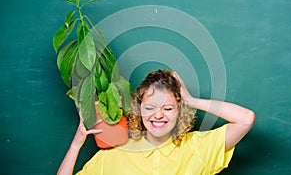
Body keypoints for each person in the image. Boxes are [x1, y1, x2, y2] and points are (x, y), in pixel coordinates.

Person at [57, 69, 256, 175]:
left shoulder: (198, 148)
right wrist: (76, 144)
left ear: (179, 112)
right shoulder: (117, 153)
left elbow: (246, 119)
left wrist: (192, 100)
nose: (158, 115)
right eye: (150, 107)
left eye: (168, 108)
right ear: (139, 109)